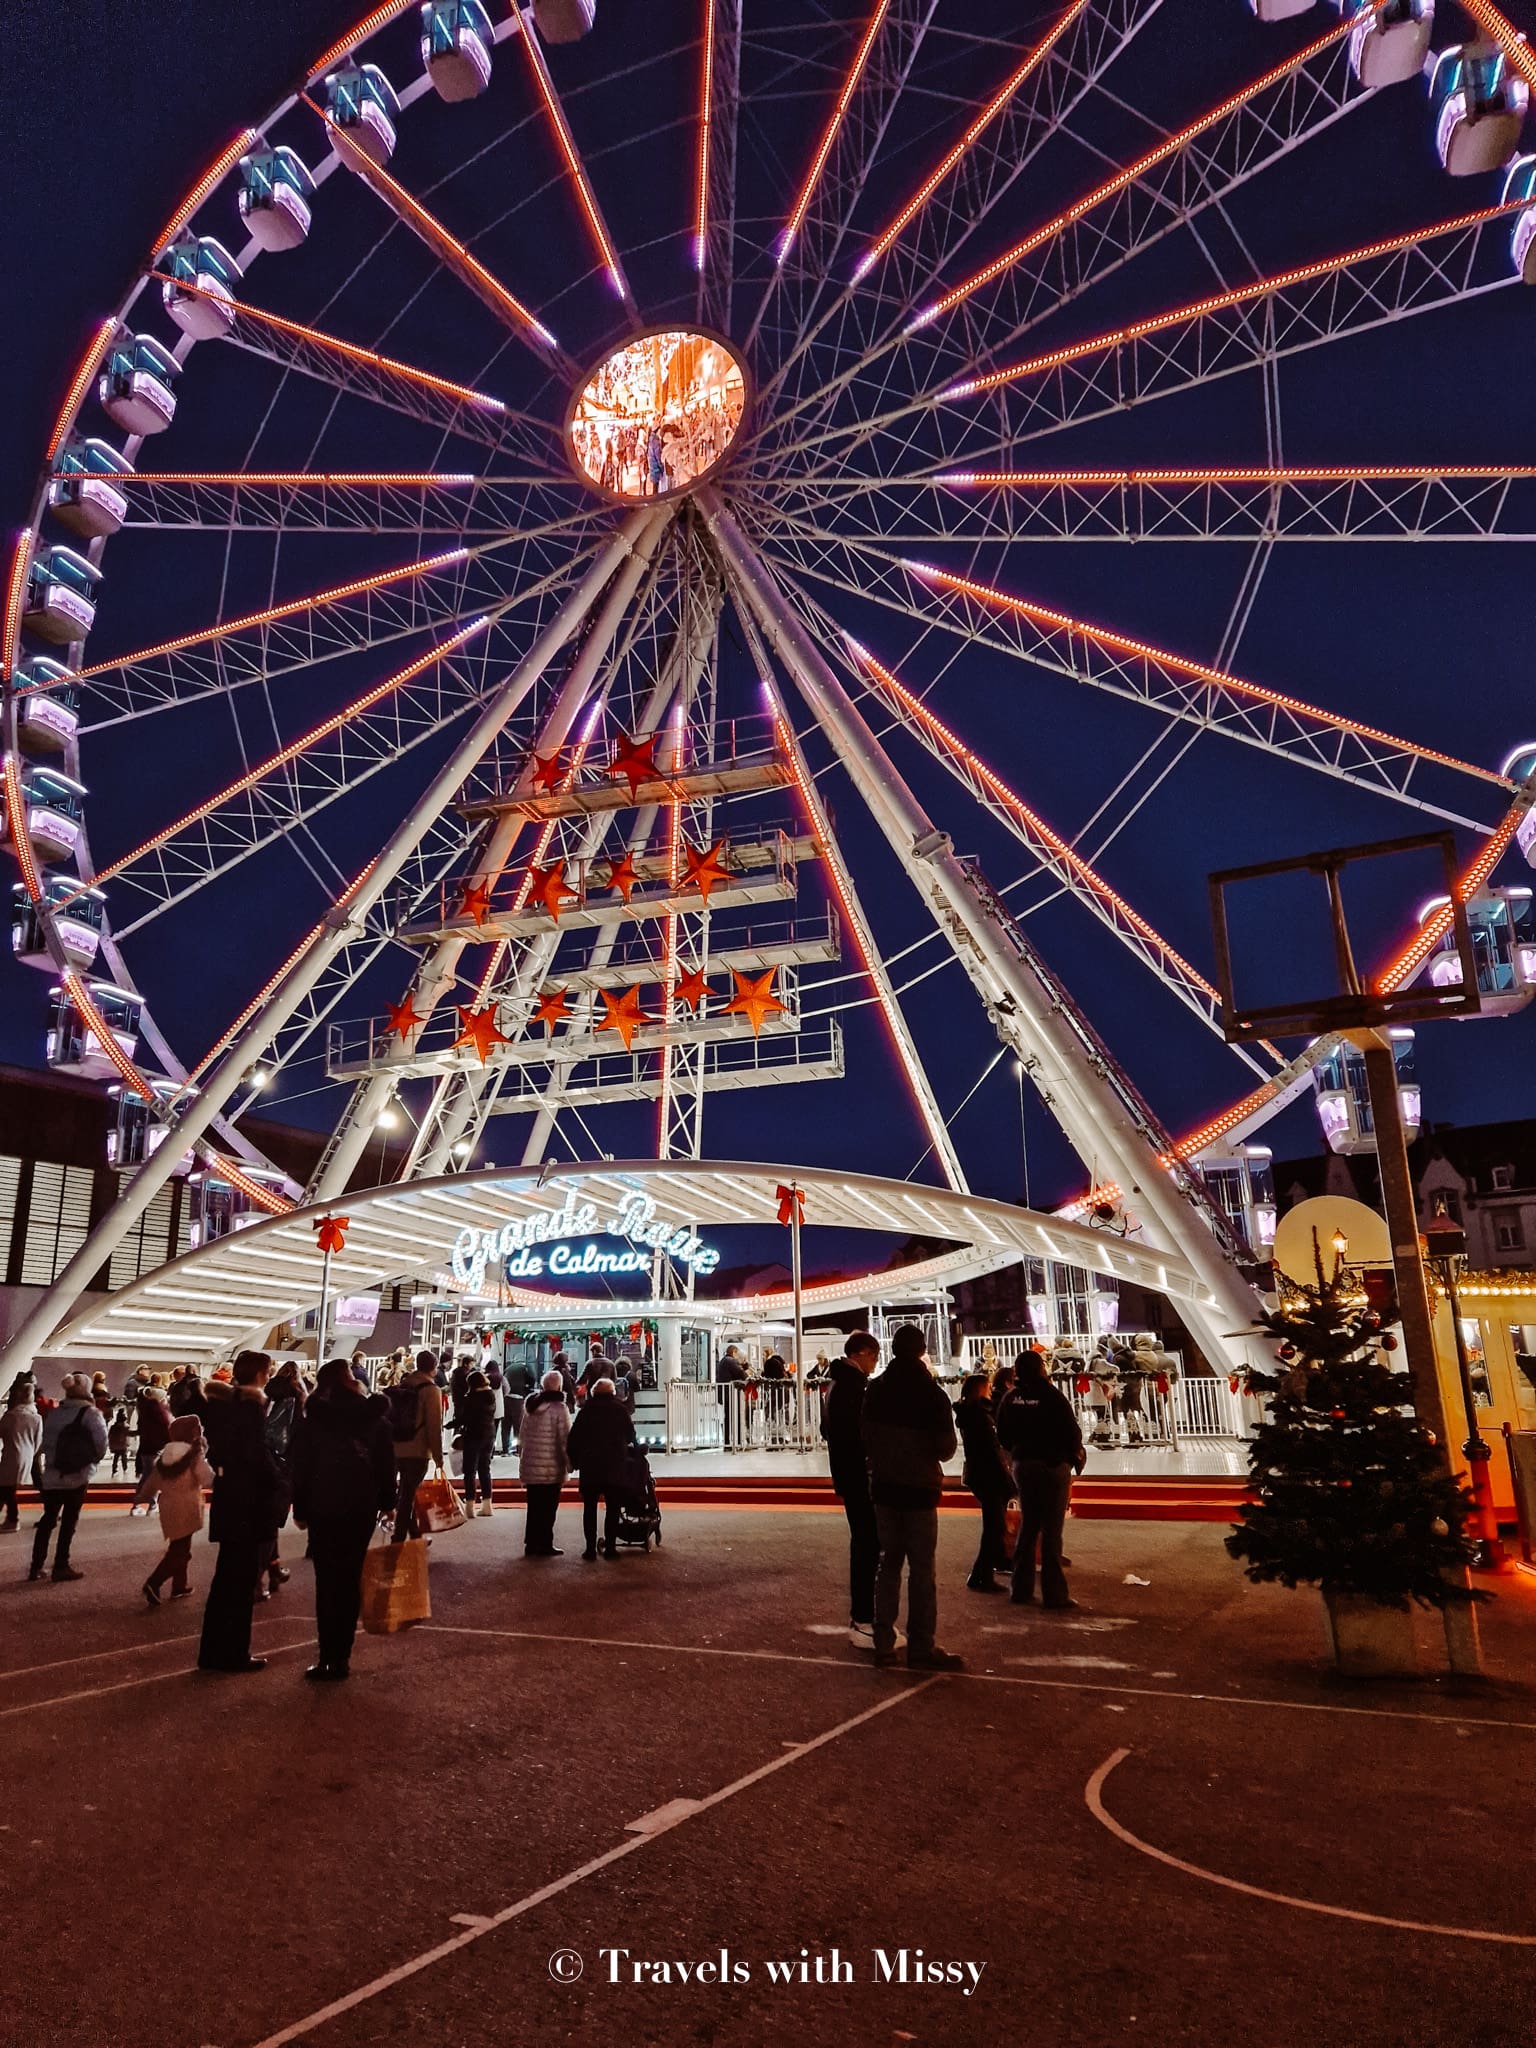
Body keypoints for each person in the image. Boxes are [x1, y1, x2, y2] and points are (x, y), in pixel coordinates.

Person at [859, 1325, 963, 1671]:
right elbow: (946, 1449)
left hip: (885, 1488)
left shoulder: (876, 1390)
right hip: (919, 1489)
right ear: (921, 1351)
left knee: (887, 1564)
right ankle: (921, 1646)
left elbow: (866, 1437)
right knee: (921, 1571)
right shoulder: (932, 1395)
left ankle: (884, 1643)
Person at [289, 1357, 397, 1682]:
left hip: (324, 1505)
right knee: (350, 1578)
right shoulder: (375, 1419)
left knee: (327, 1580)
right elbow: (385, 1467)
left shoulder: (314, 1421)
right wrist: (388, 1503)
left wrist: (301, 1510)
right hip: (360, 1506)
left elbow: (301, 1468)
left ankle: (326, 1655)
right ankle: (342, 1656)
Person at [198, 1351, 288, 1674]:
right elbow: (257, 1459)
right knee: (241, 1585)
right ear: (261, 1374)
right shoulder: (251, 1410)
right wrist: (280, 1480)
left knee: (225, 1582)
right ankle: (234, 1652)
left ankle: (212, 1651)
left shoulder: (224, 1407)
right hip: (250, 1507)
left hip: (231, 1503)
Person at [997, 1347, 1087, 1611]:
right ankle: (1054, 1593)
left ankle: (1021, 1589)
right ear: (1041, 1369)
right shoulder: (1051, 1396)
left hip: (1024, 1464)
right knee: (1051, 1531)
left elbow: (1002, 1434)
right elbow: (1071, 1431)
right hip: (1052, 1465)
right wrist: (1071, 1456)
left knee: (1028, 1526)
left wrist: (1017, 1452)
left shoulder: (1011, 1398)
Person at [821, 1332, 881, 1649]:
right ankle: (864, 1618)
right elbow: (861, 1435)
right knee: (867, 1544)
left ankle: (863, 1617)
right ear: (861, 1354)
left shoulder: (834, 1386)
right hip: (860, 1475)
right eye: (874, 1355)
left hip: (847, 1474)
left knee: (865, 1542)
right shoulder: (854, 1389)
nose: (876, 1362)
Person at [28, 1372, 108, 1583]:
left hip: (53, 1475)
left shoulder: (56, 1412)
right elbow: (101, 1443)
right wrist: (91, 1460)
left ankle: (36, 1566)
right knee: (69, 1521)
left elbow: (45, 1443)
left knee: (48, 1520)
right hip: (77, 1475)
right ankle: (61, 1565)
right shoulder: (90, 1413)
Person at [137, 1414, 214, 1606]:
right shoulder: (193, 1455)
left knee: (179, 1546)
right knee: (180, 1551)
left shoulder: (164, 1457)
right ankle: (154, 1582)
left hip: (168, 1506)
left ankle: (180, 1585)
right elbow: (206, 1478)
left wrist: (143, 1496)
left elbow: (152, 1482)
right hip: (188, 1506)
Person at [955, 1373, 1013, 1594]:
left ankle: (989, 1567)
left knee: (993, 1524)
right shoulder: (979, 1416)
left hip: (981, 1474)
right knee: (993, 1526)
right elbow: (990, 1450)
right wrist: (1005, 1479)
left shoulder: (971, 1413)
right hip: (988, 1475)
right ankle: (981, 1574)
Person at [566, 1376, 636, 1560]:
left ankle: (589, 1549)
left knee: (589, 1509)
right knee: (613, 1508)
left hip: (590, 1466)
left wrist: (575, 1461)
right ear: (613, 1392)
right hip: (614, 1465)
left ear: (593, 1392)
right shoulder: (620, 1410)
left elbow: (573, 1439)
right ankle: (611, 1548)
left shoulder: (585, 1411)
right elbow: (630, 1435)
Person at [258, 1361, 305, 1599]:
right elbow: (302, 1430)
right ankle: (258, 1578)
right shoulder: (298, 1395)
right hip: (286, 1462)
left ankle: (274, 1568)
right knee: (272, 1520)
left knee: (266, 1518)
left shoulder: (265, 1394)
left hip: (265, 1458)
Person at [387, 1349, 444, 1542]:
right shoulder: (430, 1390)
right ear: (434, 1367)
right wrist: (438, 1457)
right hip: (417, 1449)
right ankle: (399, 1536)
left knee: (405, 1491)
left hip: (397, 1446)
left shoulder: (404, 1385)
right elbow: (434, 1425)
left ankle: (415, 1534)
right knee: (408, 1494)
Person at [518, 1368, 571, 1557]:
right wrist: (569, 1463)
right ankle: (545, 1543)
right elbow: (564, 1438)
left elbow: (522, 1435)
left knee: (534, 1507)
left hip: (532, 1464)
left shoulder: (531, 1405)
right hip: (551, 1467)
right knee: (549, 1508)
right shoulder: (559, 1408)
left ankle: (531, 1544)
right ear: (559, 1386)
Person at [1, 1379, 43, 1534]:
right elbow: (38, 1441)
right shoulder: (36, 1418)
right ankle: (12, 1519)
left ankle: (13, 1519)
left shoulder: (11, 1416)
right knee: (7, 1488)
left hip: (11, 1454)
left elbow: (2, 1432)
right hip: (28, 1456)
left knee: (6, 1487)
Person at [459, 1369, 497, 1517]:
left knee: (470, 1471)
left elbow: (466, 1417)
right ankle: (487, 1506)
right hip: (489, 1434)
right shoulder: (490, 1395)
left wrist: (452, 1424)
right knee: (484, 1469)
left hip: (473, 1435)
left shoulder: (472, 1397)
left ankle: (469, 1507)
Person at [135, 1379, 171, 1479]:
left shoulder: (146, 1410)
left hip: (148, 1447)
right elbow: (163, 1430)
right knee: (150, 1476)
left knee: (147, 1475)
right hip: (155, 1448)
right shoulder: (158, 1414)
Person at [716, 1341, 747, 1448]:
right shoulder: (731, 1361)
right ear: (734, 1352)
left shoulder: (723, 1361)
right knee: (735, 1417)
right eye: (737, 1354)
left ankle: (727, 1442)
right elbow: (742, 1375)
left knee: (728, 1418)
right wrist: (743, 1367)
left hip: (725, 1394)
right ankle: (737, 1442)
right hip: (731, 1395)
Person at [502, 1352, 532, 1452]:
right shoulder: (525, 1367)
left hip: (506, 1398)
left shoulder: (509, 1368)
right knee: (518, 1425)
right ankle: (518, 1449)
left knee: (506, 1425)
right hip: (518, 1398)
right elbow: (532, 1379)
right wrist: (527, 1389)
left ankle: (505, 1449)